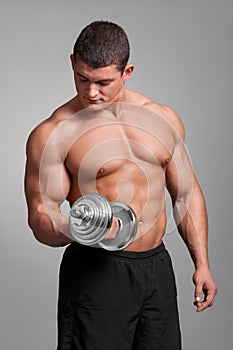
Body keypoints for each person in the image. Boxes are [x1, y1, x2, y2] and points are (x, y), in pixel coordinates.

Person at [24, 20, 217, 350]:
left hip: (156, 268)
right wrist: (78, 229)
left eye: (103, 82)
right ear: (72, 62)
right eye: (82, 79)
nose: (91, 92)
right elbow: (41, 215)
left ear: (127, 72)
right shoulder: (54, 133)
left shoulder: (162, 119)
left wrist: (202, 263)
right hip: (96, 272)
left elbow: (186, 193)